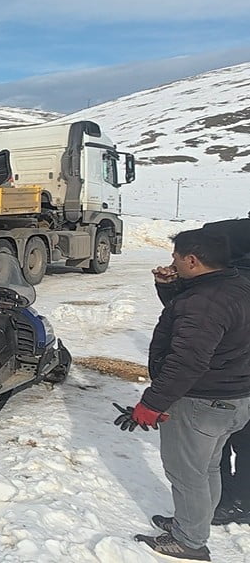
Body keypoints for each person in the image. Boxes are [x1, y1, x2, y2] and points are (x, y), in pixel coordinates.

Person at [120, 228, 250, 560]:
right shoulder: (235, 284)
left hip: (201, 402)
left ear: (192, 260)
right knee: (207, 468)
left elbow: (187, 361)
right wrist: (170, 287)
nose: (172, 262)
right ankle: (193, 522)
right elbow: (197, 325)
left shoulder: (203, 303)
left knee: (187, 474)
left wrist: (151, 403)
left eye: (175, 257)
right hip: (233, 397)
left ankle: (189, 541)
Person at [199, 216, 250, 526]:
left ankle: (235, 502)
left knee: (225, 441)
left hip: (230, 379)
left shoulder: (229, 281)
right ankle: (235, 499)